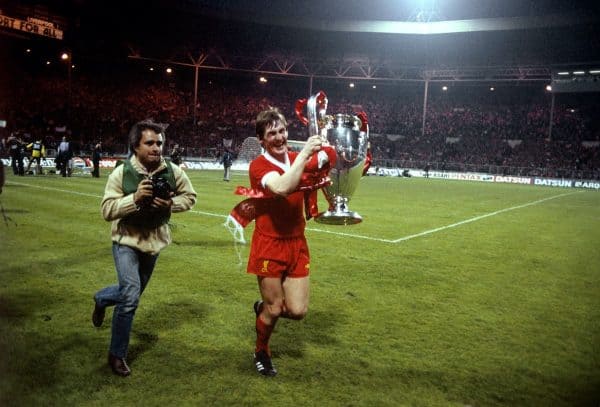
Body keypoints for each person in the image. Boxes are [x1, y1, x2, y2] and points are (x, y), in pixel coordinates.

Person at [91, 119, 196, 377]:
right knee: (129, 299)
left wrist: (171, 205)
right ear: (136, 146)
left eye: (160, 143)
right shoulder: (121, 173)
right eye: (150, 143)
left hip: (154, 242)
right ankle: (117, 355)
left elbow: (190, 197)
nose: (156, 148)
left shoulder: (172, 171)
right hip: (126, 241)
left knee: (131, 294)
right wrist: (134, 200)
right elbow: (107, 210)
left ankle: (102, 298)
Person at [243, 107, 331, 377]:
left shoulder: (294, 157)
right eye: (272, 133)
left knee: (297, 310)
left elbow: (325, 171)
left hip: (296, 242)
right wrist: (305, 154)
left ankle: (263, 310)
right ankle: (261, 350)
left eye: (282, 130)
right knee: (275, 308)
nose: (280, 137)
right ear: (261, 140)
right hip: (269, 243)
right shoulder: (259, 166)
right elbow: (282, 187)